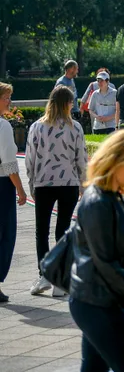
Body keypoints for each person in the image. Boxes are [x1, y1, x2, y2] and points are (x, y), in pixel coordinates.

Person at [69, 130, 124, 372]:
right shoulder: (98, 202)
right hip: (95, 301)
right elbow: (106, 262)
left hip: (105, 299)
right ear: (115, 159)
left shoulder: (112, 196)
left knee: (94, 367)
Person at [26, 85, 89, 298]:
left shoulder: (37, 127)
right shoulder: (75, 128)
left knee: (41, 231)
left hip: (44, 183)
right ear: (66, 104)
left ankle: (44, 274)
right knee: (63, 230)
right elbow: (82, 159)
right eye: (71, 102)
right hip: (68, 183)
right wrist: (83, 184)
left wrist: (32, 183)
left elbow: (30, 158)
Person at [0, 82, 28, 303]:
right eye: (6, 97)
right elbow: (9, 163)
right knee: (5, 234)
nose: (9, 101)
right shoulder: (3, 126)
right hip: (2, 187)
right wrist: (20, 189)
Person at [89, 71, 118, 136]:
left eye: (102, 80)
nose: (99, 83)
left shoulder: (115, 93)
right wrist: (97, 117)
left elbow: (118, 110)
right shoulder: (95, 94)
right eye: (98, 81)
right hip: (98, 126)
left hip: (111, 126)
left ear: (107, 81)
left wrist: (108, 118)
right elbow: (90, 110)